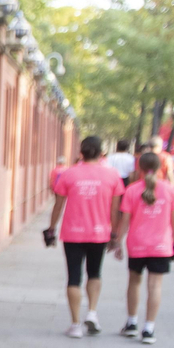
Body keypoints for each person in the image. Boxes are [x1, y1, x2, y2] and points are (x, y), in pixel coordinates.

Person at [48, 136, 124, 337]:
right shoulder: (112, 175)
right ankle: (91, 312)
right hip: (99, 233)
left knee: (74, 276)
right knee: (95, 273)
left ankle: (75, 325)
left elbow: (58, 204)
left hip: (73, 233)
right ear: (101, 153)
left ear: (81, 152)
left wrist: (51, 228)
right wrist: (115, 233)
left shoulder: (69, 174)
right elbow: (115, 208)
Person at [112, 151, 174, 343]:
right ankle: (149, 329)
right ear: (161, 167)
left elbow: (125, 220)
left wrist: (118, 241)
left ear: (139, 168)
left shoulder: (132, 190)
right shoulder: (169, 190)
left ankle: (132, 322)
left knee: (134, 282)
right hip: (161, 245)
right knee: (155, 286)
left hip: (137, 244)